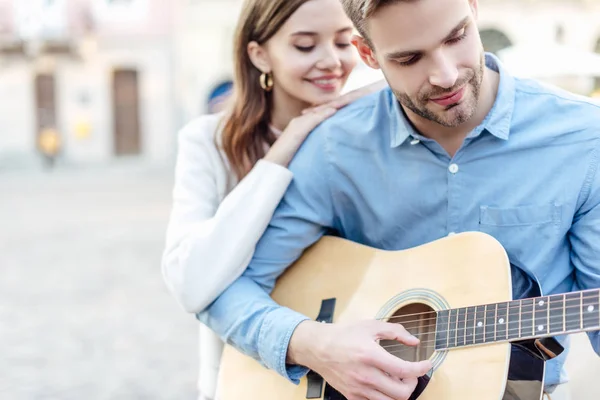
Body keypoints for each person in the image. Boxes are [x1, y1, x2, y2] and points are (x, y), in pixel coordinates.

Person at [195, 0, 600, 399]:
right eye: (409, 59)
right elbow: (226, 292)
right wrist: (316, 345)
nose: (444, 75)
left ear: (474, 8)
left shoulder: (583, 140)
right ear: (367, 53)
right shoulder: (335, 149)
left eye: (456, 36)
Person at [160, 0, 386, 399]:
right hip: (243, 377)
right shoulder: (208, 143)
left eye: (342, 42)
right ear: (259, 54)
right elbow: (190, 281)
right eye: (304, 46)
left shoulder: (366, 130)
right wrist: (286, 147)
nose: (331, 61)